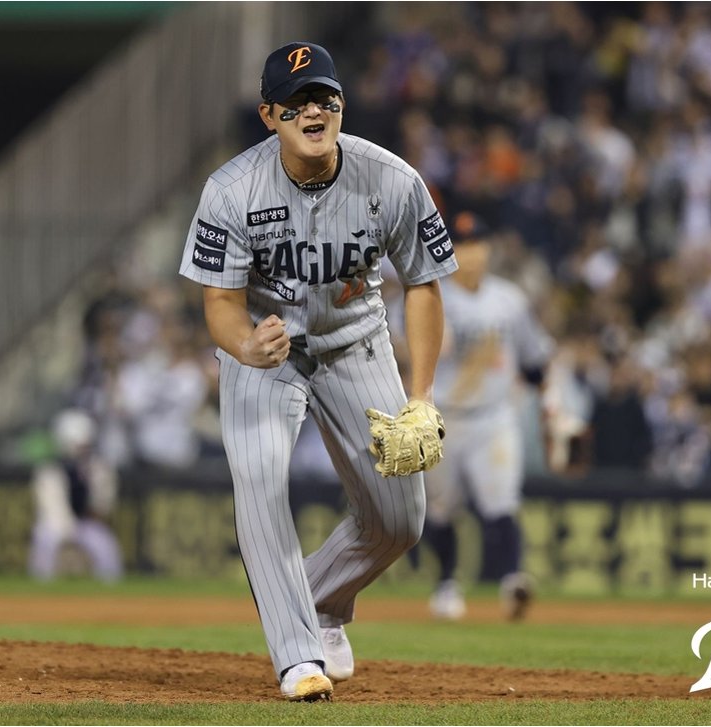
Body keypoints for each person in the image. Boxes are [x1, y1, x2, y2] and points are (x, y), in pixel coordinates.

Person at [178, 41, 457, 701]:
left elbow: (423, 285)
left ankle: (318, 601)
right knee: (259, 482)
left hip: (354, 343)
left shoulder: (391, 179)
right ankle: (298, 657)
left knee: (399, 519)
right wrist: (245, 346)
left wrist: (421, 396)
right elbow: (219, 302)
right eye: (296, 101)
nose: (313, 110)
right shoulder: (232, 190)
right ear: (269, 115)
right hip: (265, 350)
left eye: (324, 97)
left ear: (341, 106)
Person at [423, 212, 554, 621]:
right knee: (441, 509)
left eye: (477, 244)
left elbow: (535, 361)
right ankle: (446, 585)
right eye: (462, 245)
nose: (471, 253)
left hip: (494, 417)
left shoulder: (509, 300)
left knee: (501, 502)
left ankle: (513, 582)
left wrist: (551, 407)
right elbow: (399, 351)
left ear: (488, 249)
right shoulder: (430, 295)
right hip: (441, 417)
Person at [28, 409, 123, 583]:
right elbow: (53, 509)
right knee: (45, 538)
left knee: (105, 544)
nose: (83, 450)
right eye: (79, 445)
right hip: (57, 524)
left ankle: (111, 585)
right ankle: (42, 582)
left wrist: (96, 482)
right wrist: (67, 531)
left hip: (85, 523)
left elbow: (102, 505)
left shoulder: (95, 468)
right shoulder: (50, 469)